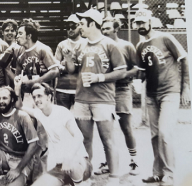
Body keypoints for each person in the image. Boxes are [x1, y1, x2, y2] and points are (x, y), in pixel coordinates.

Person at [64, 9, 127, 185]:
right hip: (82, 98)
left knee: (108, 140)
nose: (79, 27)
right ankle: (86, 175)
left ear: (92, 24)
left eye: (82, 24)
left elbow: (122, 71)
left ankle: (114, 177)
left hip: (103, 99)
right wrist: (69, 58)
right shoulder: (80, 45)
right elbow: (72, 70)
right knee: (84, 140)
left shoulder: (109, 44)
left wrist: (100, 77)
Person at [134, 9, 190, 186]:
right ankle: (157, 173)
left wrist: (186, 87)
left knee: (165, 133)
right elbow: (142, 73)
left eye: (143, 22)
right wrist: (134, 80)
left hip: (169, 92)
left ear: (150, 22)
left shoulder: (166, 38)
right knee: (155, 135)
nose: (140, 26)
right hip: (151, 94)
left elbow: (184, 59)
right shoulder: (139, 46)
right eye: (138, 23)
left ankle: (170, 175)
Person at [14, 77, 92, 186]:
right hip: (60, 167)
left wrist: (69, 156)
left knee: (73, 164)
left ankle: (82, 183)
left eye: (40, 96)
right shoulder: (39, 113)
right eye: (34, 97)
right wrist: (17, 88)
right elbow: (19, 106)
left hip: (79, 162)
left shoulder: (62, 112)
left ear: (49, 97)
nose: (36, 100)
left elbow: (79, 136)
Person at [94, 17, 139, 176]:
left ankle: (134, 161)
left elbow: (137, 69)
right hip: (105, 90)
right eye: (102, 28)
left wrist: (121, 74)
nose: (104, 31)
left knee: (126, 127)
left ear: (115, 29)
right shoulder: (100, 47)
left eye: (107, 28)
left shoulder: (126, 46)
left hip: (122, 89)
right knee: (107, 131)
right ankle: (108, 162)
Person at [15, 18, 60, 94]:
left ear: (29, 36)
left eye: (20, 33)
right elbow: (17, 75)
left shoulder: (43, 49)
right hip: (27, 94)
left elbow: (55, 71)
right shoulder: (19, 51)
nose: (17, 36)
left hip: (43, 92)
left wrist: (35, 82)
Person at [55, 14, 86, 109]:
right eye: (68, 27)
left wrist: (66, 64)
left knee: (81, 121)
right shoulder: (62, 44)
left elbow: (86, 66)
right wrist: (68, 66)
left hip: (81, 88)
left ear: (79, 27)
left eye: (73, 26)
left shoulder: (86, 43)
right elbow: (55, 65)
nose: (70, 29)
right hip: (62, 88)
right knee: (62, 119)